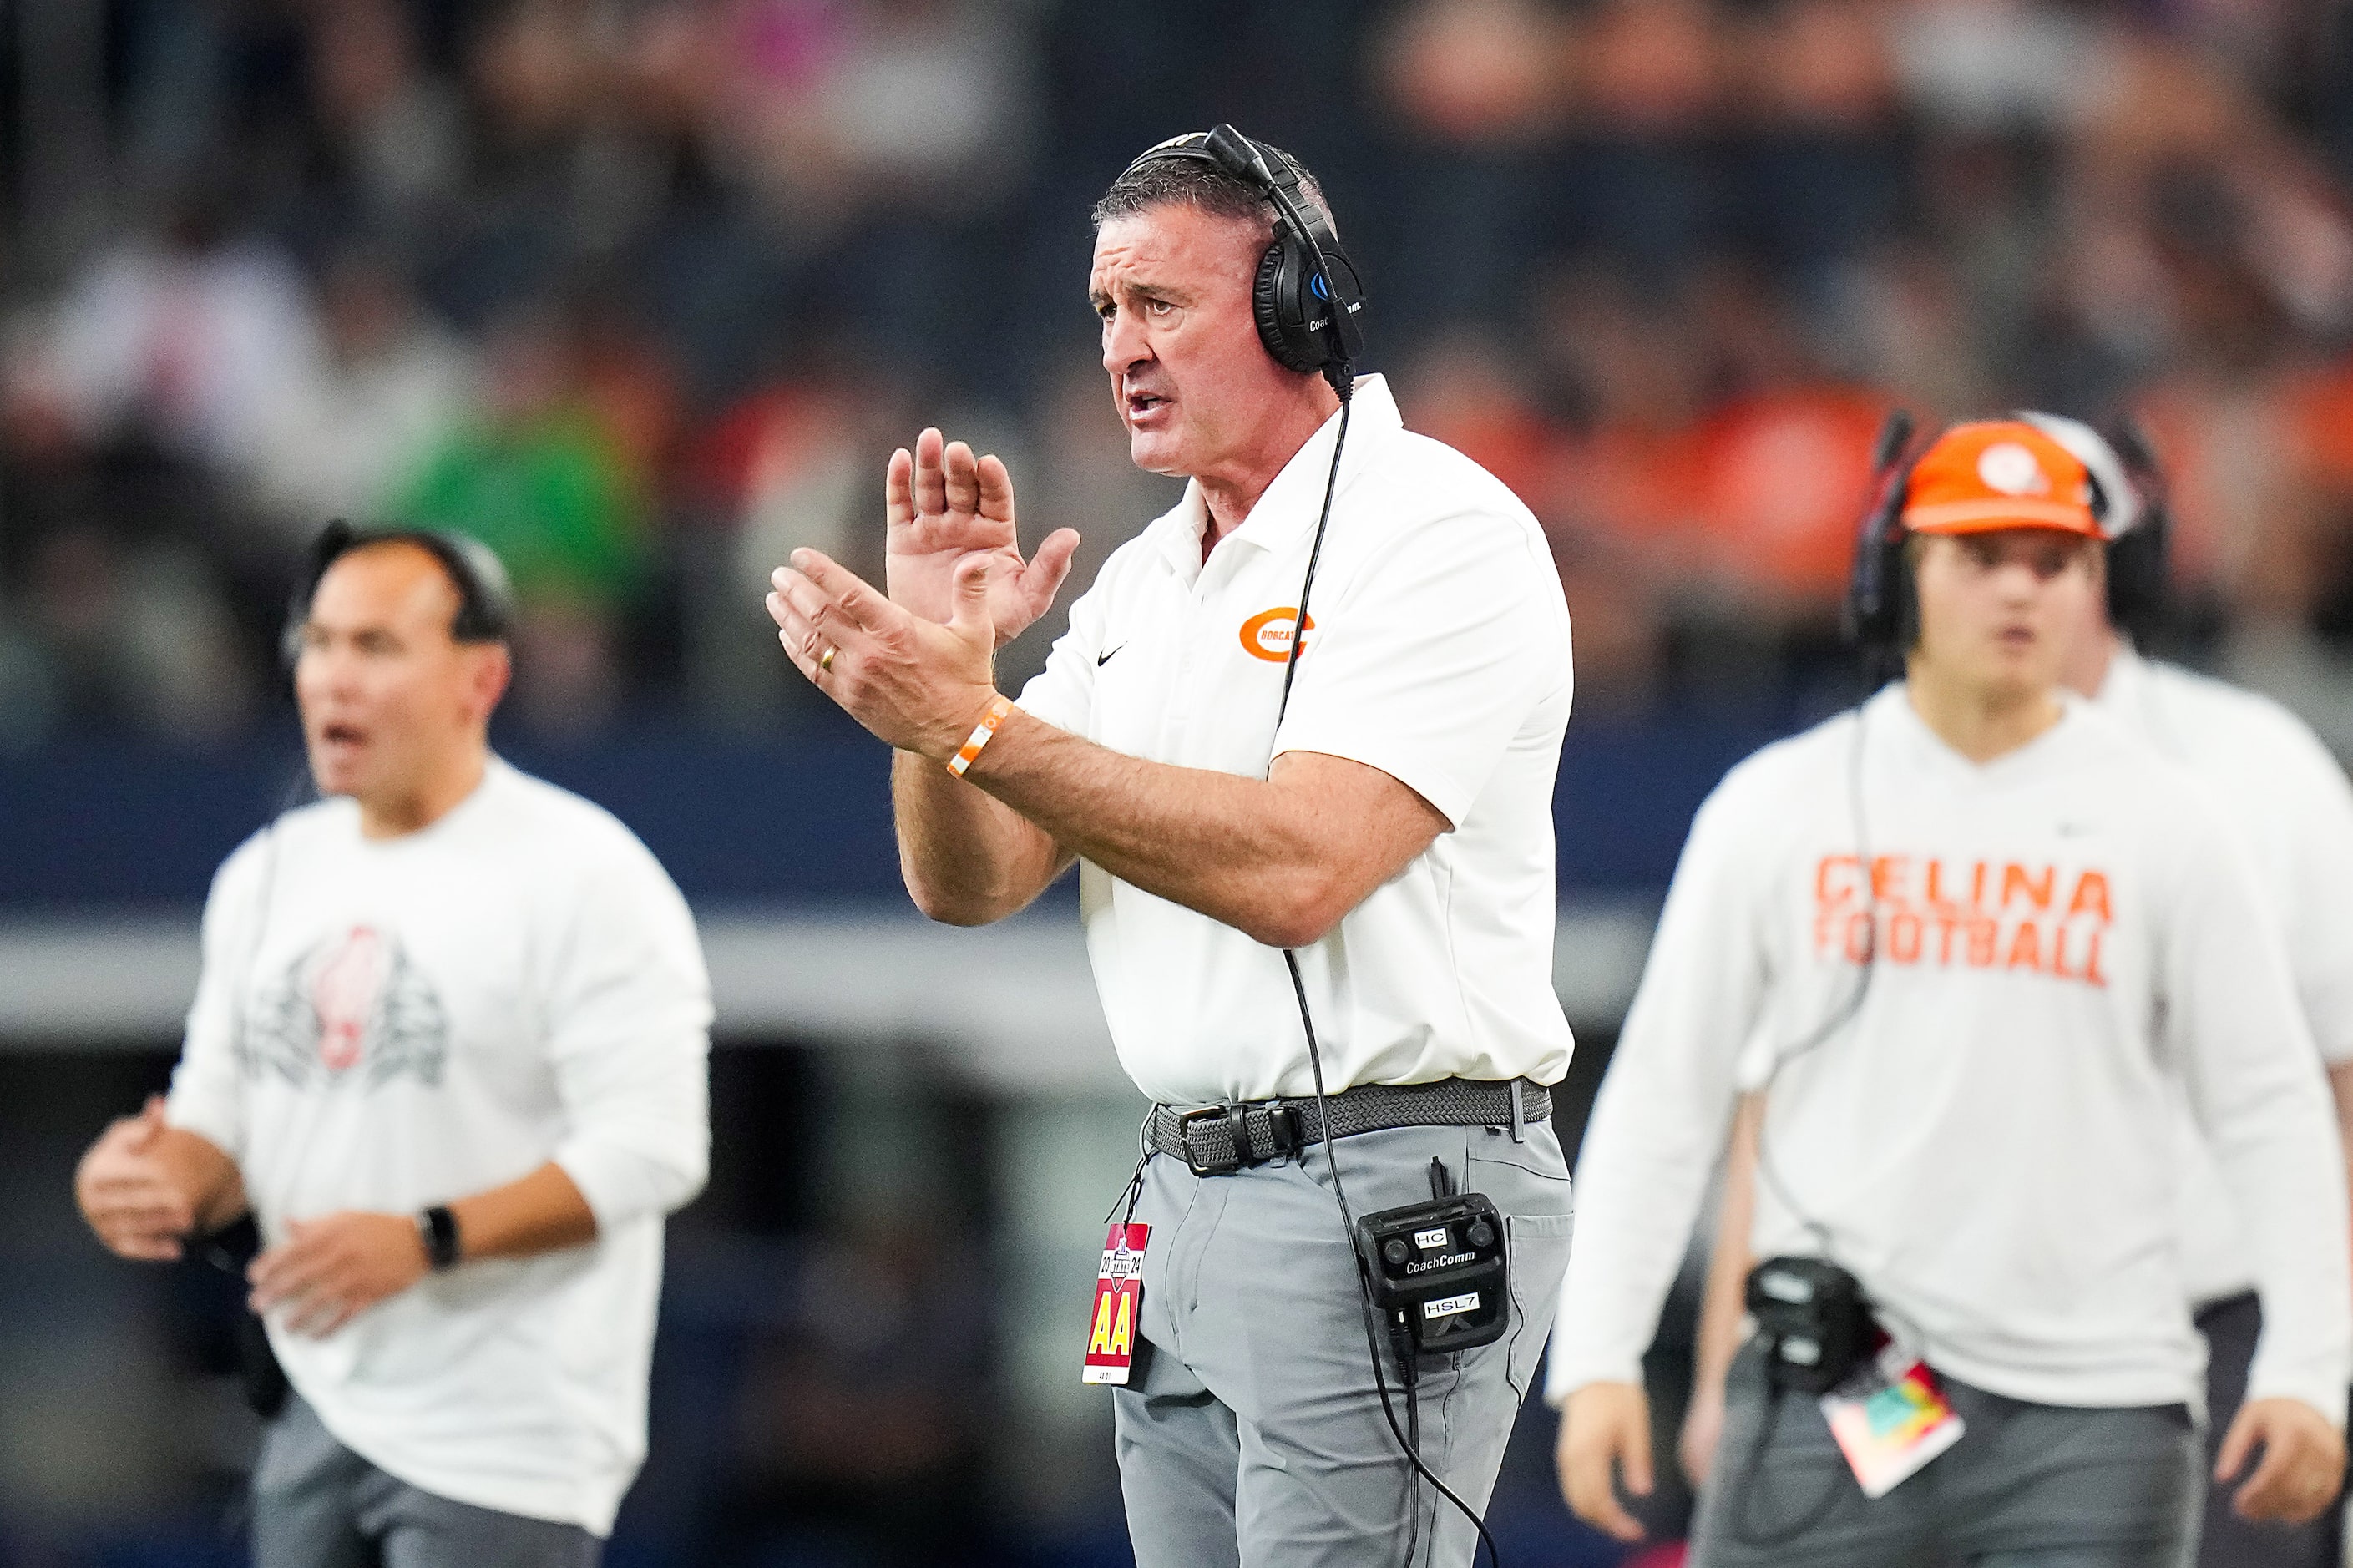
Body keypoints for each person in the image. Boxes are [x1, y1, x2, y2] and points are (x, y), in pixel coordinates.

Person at [762, 126, 1577, 1566]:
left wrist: (968, 722)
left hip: (1385, 1175)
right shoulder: (1145, 579)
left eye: (1159, 302)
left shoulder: (1437, 531)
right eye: (1101, 311)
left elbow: (1299, 870)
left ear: (1292, 307)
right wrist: (949, 684)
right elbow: (970, 882)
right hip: (1174, 1196)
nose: (1120, 345)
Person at [1549, 417, 2352, 1565]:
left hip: (2103, 1404)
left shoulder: (2184, 821)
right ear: (1892, 578)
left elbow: (2278, 1113)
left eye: (2056, 559)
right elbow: (1671, 1104)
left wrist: (2308, 1367)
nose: (2022, 590)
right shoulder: (1781, 805)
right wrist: (1597, 1358)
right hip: (1851, 1380)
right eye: (1980, 557)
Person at [73, 524, 711, 1568]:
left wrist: (424, 1239)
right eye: (317, 644)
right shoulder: (267, 871)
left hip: (504, 1436)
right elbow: (221, 1114)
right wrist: (149, 1177)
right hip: (316, 1402)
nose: (333, 679)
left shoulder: (585, 874)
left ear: (481, 677)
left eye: (375, 647)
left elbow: (654, 1149)